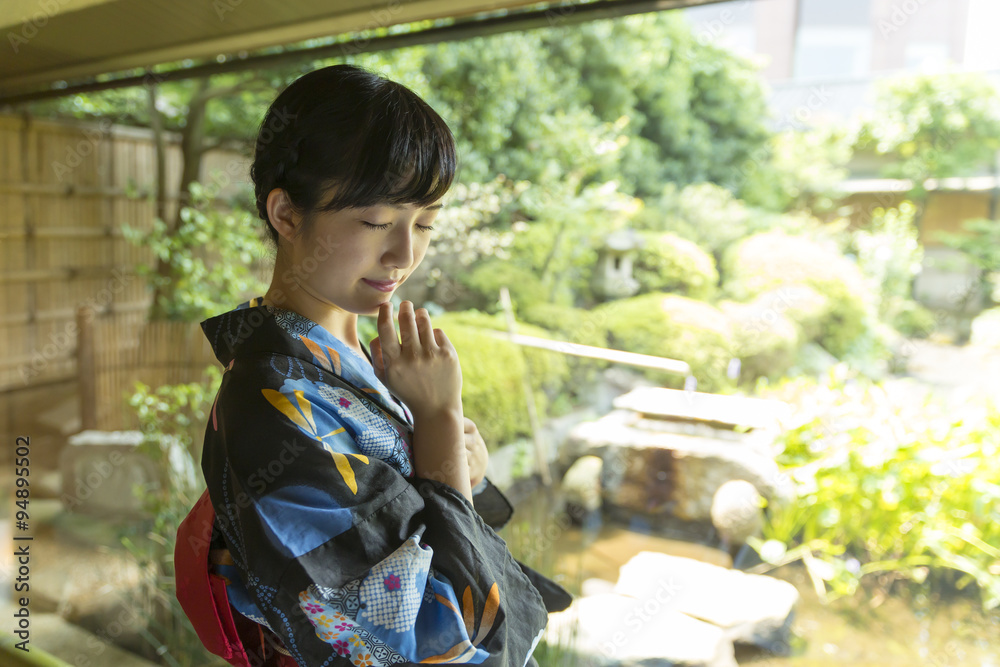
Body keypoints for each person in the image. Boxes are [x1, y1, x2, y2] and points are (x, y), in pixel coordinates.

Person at [173, 63, 571, 667]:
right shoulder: (270, 402)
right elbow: (431, 635)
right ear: (287, 214)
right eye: (377, 222)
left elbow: (438, 510)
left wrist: (456, 461)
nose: (404, 253)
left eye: (426, 222)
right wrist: (438, 420)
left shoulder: (366, 364)